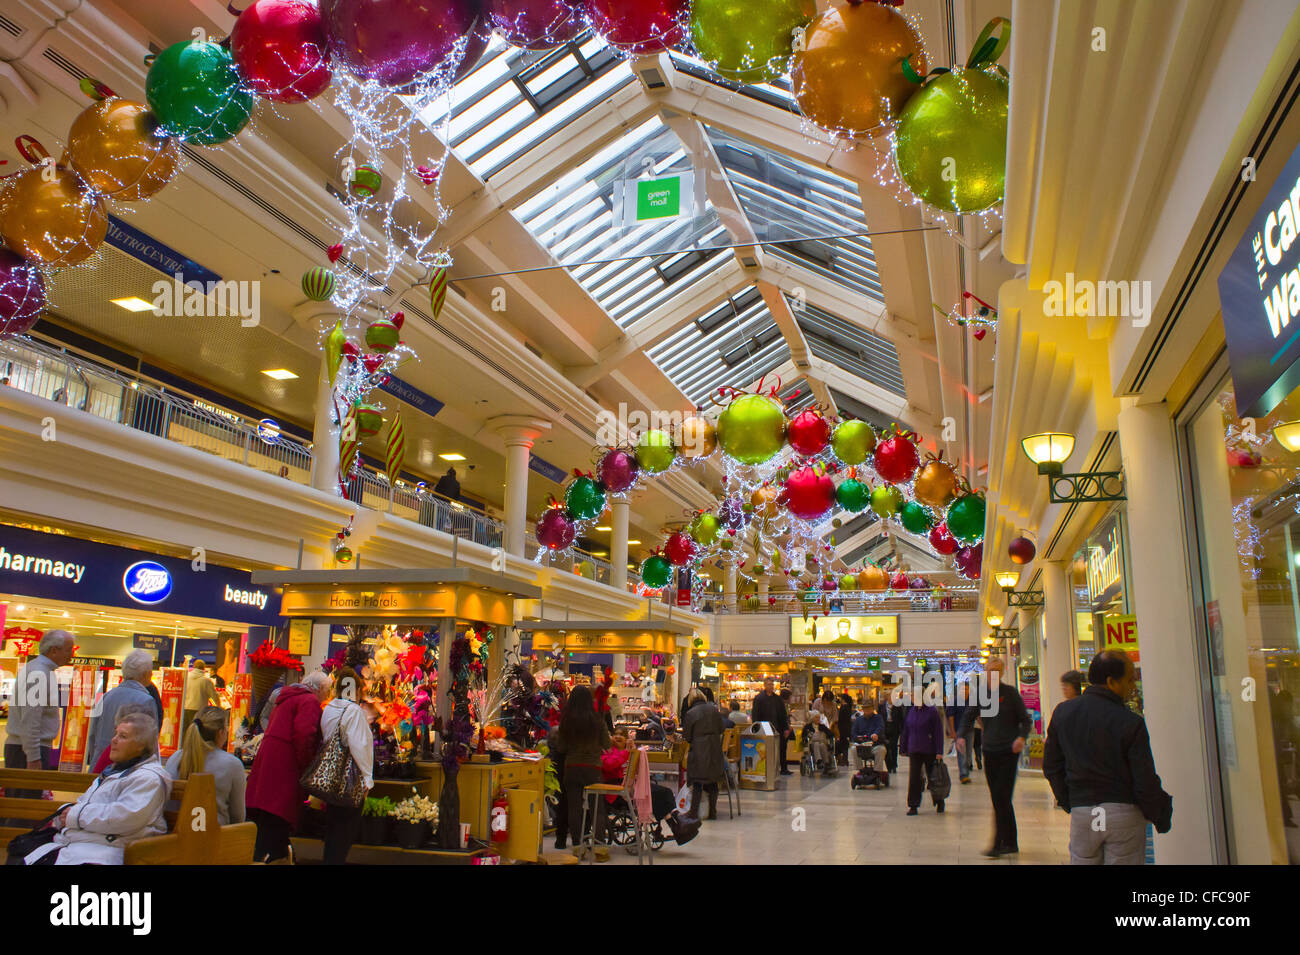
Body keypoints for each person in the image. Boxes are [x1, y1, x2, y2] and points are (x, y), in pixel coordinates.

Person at [1043, 650, 1173, 864]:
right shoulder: (1130, 722)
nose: (1132, 685)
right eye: (1130, 679)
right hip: (1123, 814)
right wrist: (1159, 814)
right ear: (1112, 681)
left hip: (1084, 812)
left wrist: (1070, 800)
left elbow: (1052, 765)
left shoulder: (1063, 713)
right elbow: (1144, 779)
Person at [24, 711, 169, 865]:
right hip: (78, 848)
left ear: (141, 746)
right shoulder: (114, 772)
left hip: (101, 854)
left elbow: (124, 817)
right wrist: (65, 814)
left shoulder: (148, 778)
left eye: (123, 736)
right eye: (115, 734)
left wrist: (75, 816)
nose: (114, 740)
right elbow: (84, 803)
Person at [245, 671, 331, 863]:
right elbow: (304, 736)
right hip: (285, 767)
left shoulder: (287, 698)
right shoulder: (308, 701)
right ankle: (273, 857)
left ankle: (268, 855)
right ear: (319, 689)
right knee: (277, 819)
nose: (327, 697)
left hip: (268, 762)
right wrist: (309, 766)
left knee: (265, 820)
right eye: (326, 691)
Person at [958, 658, 1032, 856]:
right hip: (990, 751)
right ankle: (1010, 842)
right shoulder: (981, 694)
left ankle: (998, 844)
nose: (993, 673)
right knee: (999, 798)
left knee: (1001, 797)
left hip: (1008, 752)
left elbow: (1026, 720)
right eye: (990, 670)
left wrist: (1021, 738)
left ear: (1002, 672)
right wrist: (960, 736)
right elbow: (968, 715)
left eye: (997, 670)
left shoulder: (1010, 693)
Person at [5, 630, 74, 793]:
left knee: (18, 805)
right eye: (68, 649)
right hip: (25, 750)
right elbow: (30, 719)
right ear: (54, 650)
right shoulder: (39, 673)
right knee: (24, 808)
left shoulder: (40, 670)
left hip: (24, 748)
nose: (71, 654)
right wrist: (34, 756)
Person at [318, 667, 373, 864]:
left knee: (333, 831)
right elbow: (360, 747)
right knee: (344, 833)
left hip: (331, 776)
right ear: (355, 689)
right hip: (349, 779)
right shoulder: (354, 711)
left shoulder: (330, 708)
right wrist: (367, 780)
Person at [551, 685, 611, 858]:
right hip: (593, 769)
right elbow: (607, 744)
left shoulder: (566, 721)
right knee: (597, 809)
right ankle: (599, 849)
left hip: (572, 768)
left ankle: (578, 848)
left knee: (574, 808)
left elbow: (561, 747)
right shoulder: (597, 720)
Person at [165, 705, 246, 826]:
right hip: (213, 840)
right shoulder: (232, 765)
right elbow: (238, 817)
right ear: (221, 733)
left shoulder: (174, 758)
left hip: (173, 836)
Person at [88, 649, 157, 767]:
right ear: (145, 674)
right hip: (126, 769)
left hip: (100, 763)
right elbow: (148, 742)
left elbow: (92, 734)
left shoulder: (106, 697)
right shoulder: (146, 701)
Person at [682, 688, 726, 821]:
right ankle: (713, 811)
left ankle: (694, 812)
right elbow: (721, 729)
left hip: (699, 750)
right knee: (712, 781)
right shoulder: (714, 710)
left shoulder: (690, 713)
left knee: (697, 782)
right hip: (714, 749)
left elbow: (687, 736)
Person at [900, 699, 945, 814]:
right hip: (914, 749)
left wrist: (939, 751)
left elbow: (938, 731)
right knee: (914, 778)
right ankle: (913, 805)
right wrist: (903, 747)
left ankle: (939, 801)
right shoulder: (911, 711)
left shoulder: (931, 711)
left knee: (933, 777)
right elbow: (906, 730)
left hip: (929, 749)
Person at [850, 700, 889, 786]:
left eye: (869, 708)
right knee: (853, 749)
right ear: (863, 709)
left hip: (874, 745)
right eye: (865, 708)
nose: (867, 710)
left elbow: (880, 727)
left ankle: (877, 771)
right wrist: (857, 738)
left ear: (872, 709)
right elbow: (853, 733)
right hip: (862, 745)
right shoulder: (858, 720)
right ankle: (860, 770)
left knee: (881, 750)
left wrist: (876, 734)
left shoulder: (878, 718)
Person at [182, 660, 219, 730]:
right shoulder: (206, 681)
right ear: (204, 668)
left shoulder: (185, 678)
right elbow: (214, 696)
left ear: (193, 667)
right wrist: (219, 706)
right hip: (199, 710)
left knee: (185, 732)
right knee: (197, 732)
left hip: (185, 708)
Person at [948, 695, 977, 784]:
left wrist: (983, 726)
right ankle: (963, 774)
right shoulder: (955, 701)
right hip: (959, 731)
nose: (964, 691)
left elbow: (977, 715)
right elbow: (951, 717)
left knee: (968, 752)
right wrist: (952, 730)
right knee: (961, 752)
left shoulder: (972, 702)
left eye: (966, 689)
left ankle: (966, 771)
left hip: (970, 730)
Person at [881, 693, 904, 774]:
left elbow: (901, 718)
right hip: (885, 728)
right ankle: (889, 766)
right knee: (886, 748)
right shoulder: (882, 706)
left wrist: (901, 729)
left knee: (893, 747)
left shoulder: (897, 706)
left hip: (894, 728)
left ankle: (894, 765)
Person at [776, 687, 794, 774]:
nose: (791, 699)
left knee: (782, 749)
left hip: (782, 730)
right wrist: (786, 728)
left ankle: (783, 768)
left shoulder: (781, 704)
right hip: (782, 731)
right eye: (790, 697)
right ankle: (783, 768)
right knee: (782, 749)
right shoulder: (781, 705)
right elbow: (782, 718)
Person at [837, 693, 854, 765]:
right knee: (844, 744)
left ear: (843, 699)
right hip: (846, 728)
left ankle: (844, 760)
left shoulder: (844, 707)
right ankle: (844, 759)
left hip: (843, 728)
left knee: (843, 744)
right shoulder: (847, 707)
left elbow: (842, 719)